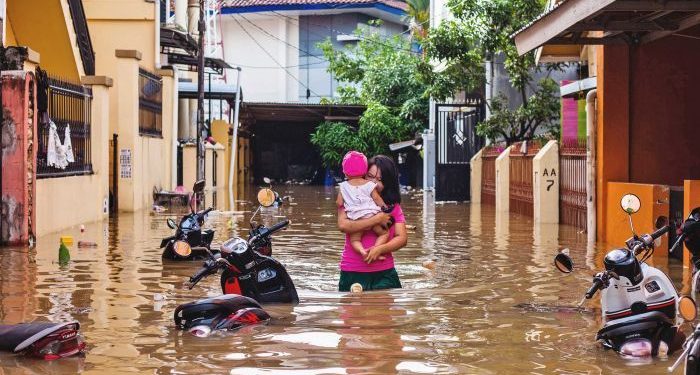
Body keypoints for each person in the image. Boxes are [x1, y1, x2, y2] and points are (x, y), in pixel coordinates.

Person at [337, 155, 408, 292]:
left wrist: (379, 249)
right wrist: (376, 220)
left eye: (380, 180)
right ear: (362, 174)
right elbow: (343, 226)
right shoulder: (349, 200)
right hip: (352, 270)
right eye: (370, 176)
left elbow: (402, 238)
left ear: (388, 182)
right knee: (352, 313)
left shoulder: (392, 207)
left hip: (384, 272)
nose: (374, 183)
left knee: (385, 313)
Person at [336, 151, 392, 259]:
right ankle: (375, 250)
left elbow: (339, 203)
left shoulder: (343, 186)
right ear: (364, 172)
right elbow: (377, 198)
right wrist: (385, 208)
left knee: (355, 240)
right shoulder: (370, 184)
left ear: (345, 173)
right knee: (384, 234)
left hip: (355, 217)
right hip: (371, 214)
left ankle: (363, 252)